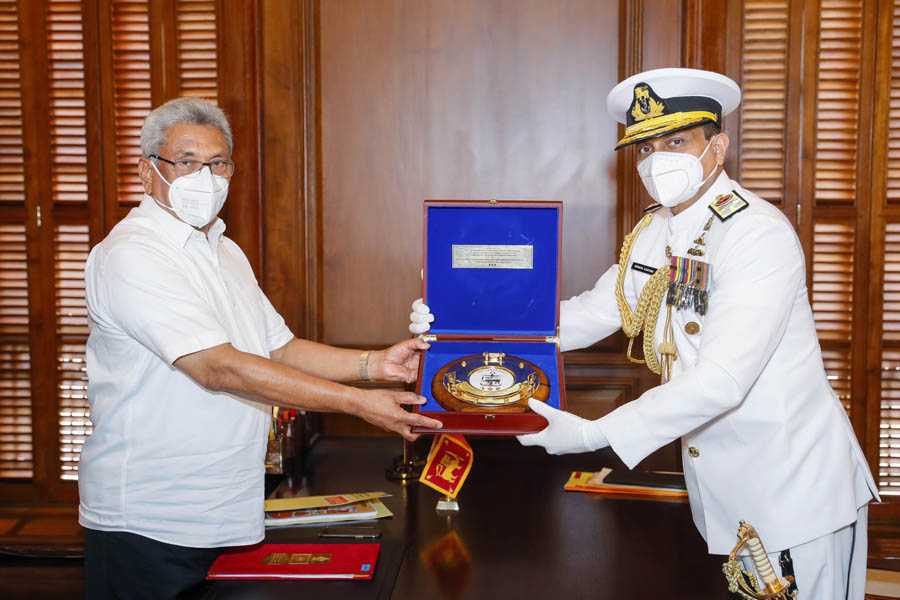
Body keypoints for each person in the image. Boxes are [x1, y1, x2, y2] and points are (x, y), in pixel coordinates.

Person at [410, 68, 877, 599]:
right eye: (646, 148)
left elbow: (722, 380)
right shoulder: (657, 230)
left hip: (794, 493)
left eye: (676, 142)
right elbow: (595, 312)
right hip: (723, 488)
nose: (658, 161)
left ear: (718, 147)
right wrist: (468, 324)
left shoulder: (756, 235)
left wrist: (592, 434)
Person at [79, 97, 442, 599]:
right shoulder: (132, 255)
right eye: (186, 161)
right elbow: (217, 368)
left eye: (218, 163)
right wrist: (359, 404)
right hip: (149, 520)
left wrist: (375, 365)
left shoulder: (224, 250)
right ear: (147, 171)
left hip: (226, 511)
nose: (205, 178)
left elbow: (278, 349)